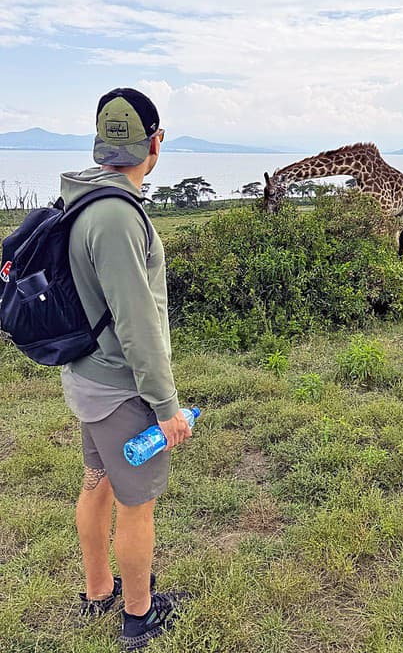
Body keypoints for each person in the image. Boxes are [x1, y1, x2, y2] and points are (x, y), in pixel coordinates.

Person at [60, 87, 192, 650]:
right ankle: (138, 616)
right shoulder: (117, 216)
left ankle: (98, 592)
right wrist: (165, 410)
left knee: (98, 483)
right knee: (137, 505)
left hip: (89, 379)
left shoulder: (83, 196)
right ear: (155, 143)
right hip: (120, 390)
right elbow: (137, 325)